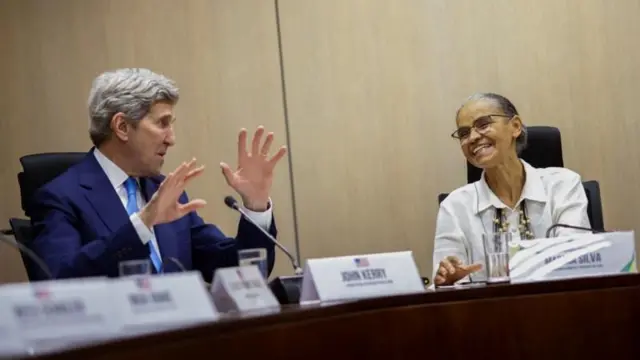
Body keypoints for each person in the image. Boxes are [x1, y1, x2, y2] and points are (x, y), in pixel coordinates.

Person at [29, 68, 287, 282]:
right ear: (121, 127)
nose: (171, 139)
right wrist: (141, 225)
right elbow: (59, 282)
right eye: (162, 123)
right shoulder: (60, 197)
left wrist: (256, 207)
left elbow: (239, 270)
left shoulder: (162, 190)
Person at [432, 93, 591, 286]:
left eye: (483, 124)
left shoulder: (563, 185)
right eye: (464, 133)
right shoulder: (454, 207)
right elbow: (444, 286)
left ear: (515, 126)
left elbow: (575, 260)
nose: (472, 137)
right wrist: (447, 281)